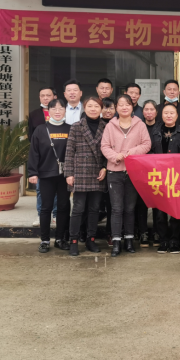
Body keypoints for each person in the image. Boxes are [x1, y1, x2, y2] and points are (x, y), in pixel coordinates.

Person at [101, 95, 151, 257]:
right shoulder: (110, 126)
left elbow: (146, 144)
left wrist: (132, 152)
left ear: (132, 107)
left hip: (133, 172)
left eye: (127, 104)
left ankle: (129, 240)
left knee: (130, 208)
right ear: (116, 107)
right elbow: (104, 146)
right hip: (114, 172)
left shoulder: (140, 124)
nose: (124, 107)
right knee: (116, 208)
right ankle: (116, 241)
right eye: (121, 105)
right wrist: (116, 156)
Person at [64, 97, 107, 256]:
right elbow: (69, 151)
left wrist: (105, 167)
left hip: (98, 172)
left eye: (96, 106)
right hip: (80, 172)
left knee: (94, 209)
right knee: (78, 209)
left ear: (101, 109)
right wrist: (69, 173)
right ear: (84, 107)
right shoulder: (76, 126)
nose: (93, 109)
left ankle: (91, 239)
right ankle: (73, 241)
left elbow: (108, 149)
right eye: (90, 106)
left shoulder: (106, 126)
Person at [27, 99, 72, 254]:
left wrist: (72, 173)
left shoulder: (71, 129)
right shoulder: (40, 130)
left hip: (65, 176)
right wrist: (32, 172)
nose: (57, 111)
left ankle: (60, 239)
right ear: (49, 111)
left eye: (61, 108)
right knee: (46, 208)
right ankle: (45, 240)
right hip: (46, 175)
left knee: (64, 207)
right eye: (54, 108)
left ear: (65, 110)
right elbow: (34, 152)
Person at [155, 104, 180, 254]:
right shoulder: (155, 131)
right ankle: (163, 240)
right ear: (162, 115)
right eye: (166, 113)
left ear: (177, 116)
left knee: (176, 211)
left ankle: (175, 241)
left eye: (172, 113)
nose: (169, 115)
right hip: (159, 176)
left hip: (177, 177)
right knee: (160, 212)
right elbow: (149, 152)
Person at [29, 87, 57, 228]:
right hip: (41, 159)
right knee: (40, 189)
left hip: (57, 157)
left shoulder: (59, 113)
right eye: (42, 95)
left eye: (48, 95)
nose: (45, 98)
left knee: (57, 190)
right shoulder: (34, 114)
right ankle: (41, 215)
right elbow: (30, 137)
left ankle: (56, 215)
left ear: (54, 97)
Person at [135, 100, 160, 248]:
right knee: (141, 202)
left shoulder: (161, 128)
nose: (149, 112)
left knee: (157, 202)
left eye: (152, 109)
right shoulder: (138, 127)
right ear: (142, 112)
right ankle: (143, 232)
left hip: (157, 170)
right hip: (141, 170)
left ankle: (157, 232)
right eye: (146, 109)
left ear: (156, 112)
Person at [100, 98, 116, 247]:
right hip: (96, 169)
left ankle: (110, 233)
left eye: (111, 108)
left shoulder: (118, 124)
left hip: (113, 168)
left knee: (112, 204)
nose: (108, 111)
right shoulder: (96, 124)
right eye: (105, 108)